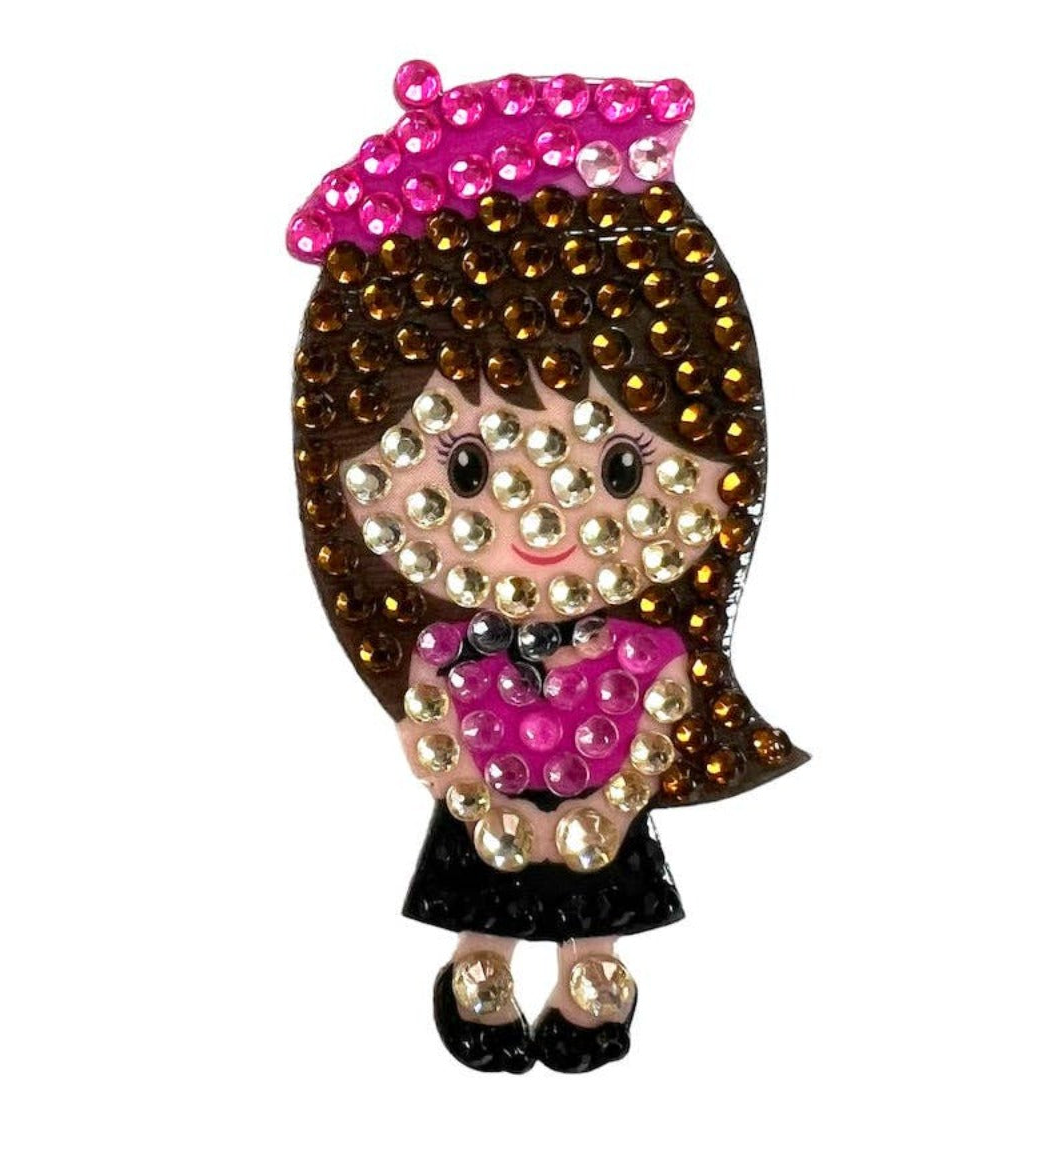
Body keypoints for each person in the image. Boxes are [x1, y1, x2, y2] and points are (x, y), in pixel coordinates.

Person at [288, 61, 806, 1072]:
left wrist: (604, 809)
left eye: (619, 469)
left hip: (598, 817)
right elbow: (433, 733)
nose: (542, 524)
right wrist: (484, 809)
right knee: (485, 909)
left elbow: (650, 738)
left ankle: (589, 975)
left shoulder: (645, 654)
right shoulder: (446, 650)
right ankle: (483, 964)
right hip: (487, 815)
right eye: (467, 470)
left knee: (593, 916)